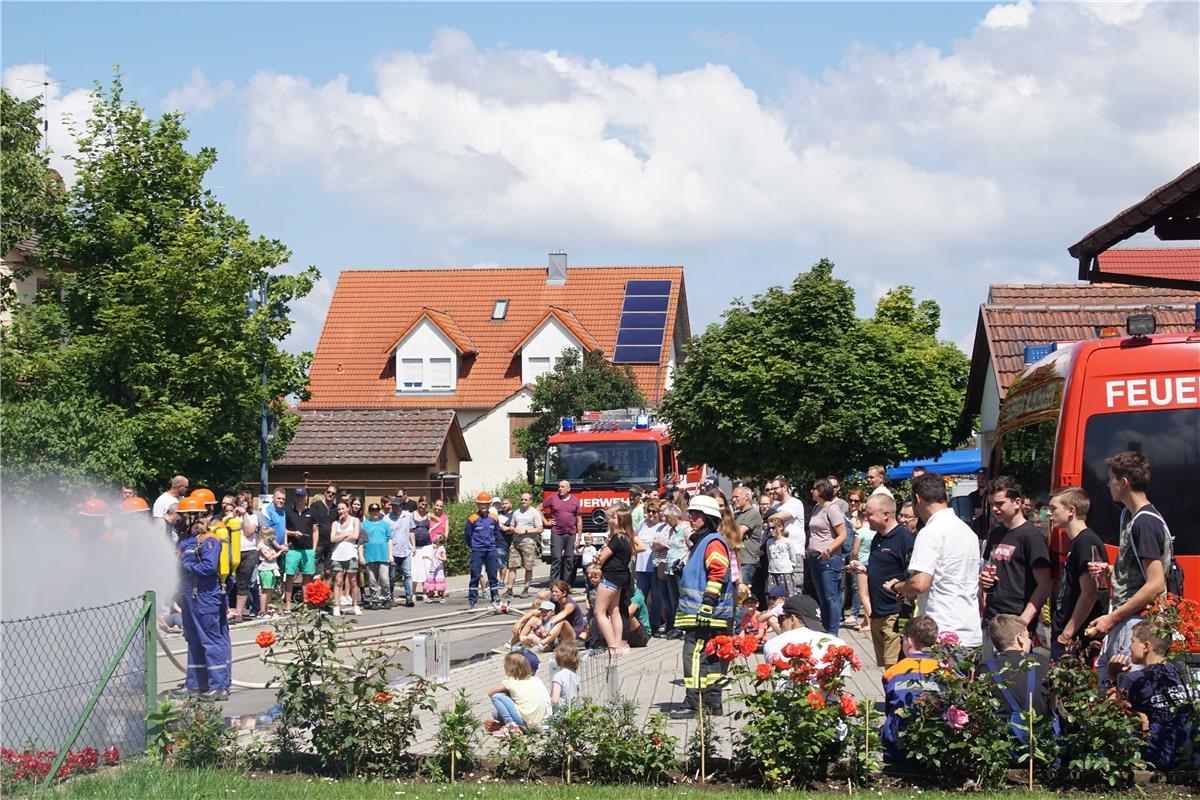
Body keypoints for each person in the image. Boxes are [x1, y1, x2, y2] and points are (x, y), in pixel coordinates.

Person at [1087, 451, 1171, 685]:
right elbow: (1139, 573)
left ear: (1124, 482)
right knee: (1109, 681)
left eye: (1111, 479)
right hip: (1128, 619)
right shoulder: (1130, 516)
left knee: (1123, 696)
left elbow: (1156, 583)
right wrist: (1113, 571)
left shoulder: (1144, 523)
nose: (1108, 484)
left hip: (1135, 622)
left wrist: (1112, 618)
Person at [889, 473, 982, 647]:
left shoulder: (930, 532)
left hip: (942, 633)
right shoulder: (967, 530)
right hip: (970, 631)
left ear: (917, 498)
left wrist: (897, 587)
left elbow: (919, 584)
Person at [672, 495, 736, 718]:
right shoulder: (703, 542)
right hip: (702, 613)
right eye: (691, 514)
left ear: (708, 519)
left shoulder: (713, 542)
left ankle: (694, 703)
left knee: (694, 655)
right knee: (709, 657)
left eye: (696, 515)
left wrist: (708, 603)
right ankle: (712, 702)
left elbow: (718, 572)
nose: (691, 518)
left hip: (704, 613)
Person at [1108, 621, 1196, 770]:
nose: (1129, 647)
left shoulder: (1134, 679)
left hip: (1156, 755)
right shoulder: (1181, 672)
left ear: (1146, 646)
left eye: (1132, 642)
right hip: (1189, 754)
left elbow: (1108, 711)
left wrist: (1113, 677)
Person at [979, 477, 1052, 649]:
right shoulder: (996, 533)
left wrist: (1022, 622)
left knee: (1013, 674)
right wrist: (984, 580)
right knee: (988, 672)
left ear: (1017, 502)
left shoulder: (1031, 537)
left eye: (1000, 504)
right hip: (992, 618)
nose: (995, 509)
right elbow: (990, 568)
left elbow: (1044, 585)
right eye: (991, 504)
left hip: (1016, 620)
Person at [174, 520, 232, 701]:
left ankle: (218, 686)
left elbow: (208, 566)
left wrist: (184, 566)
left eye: (184, 515)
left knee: (211, 640)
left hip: (205, 596)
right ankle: (195, 683)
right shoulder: (187, 541)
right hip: (189, 596)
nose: (180, 519)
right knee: (193, 640)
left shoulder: (209, 540)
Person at [1048, 487, 1107, 660]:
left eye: (1054, 508)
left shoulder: (1085, 542)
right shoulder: (1078, 542)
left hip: (1075, 639)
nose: (1049, 515)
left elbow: (1089, 594)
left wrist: (1065, 636)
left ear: (1071, 511)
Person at [862, 493, 916, 667]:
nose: (866, 518)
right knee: (886, 668)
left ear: (885, 514)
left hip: (895, 613)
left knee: (894, 667)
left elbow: (912, 574)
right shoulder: (877, 538)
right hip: (878, 612)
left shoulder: (904, 538)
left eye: (869, 513)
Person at [880, 616, 942, 764]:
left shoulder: (893, 672)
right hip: (936, 744)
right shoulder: (943, 670)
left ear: (908, 642)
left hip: (898, 744)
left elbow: (889, 708)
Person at [978, 614, 1050, 729]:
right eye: (1028, 637)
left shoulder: (985, 668)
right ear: (1020, 637)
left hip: (1001, 738)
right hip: (1040, 736)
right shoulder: (1043, 662)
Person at [806, 478, 849, 636]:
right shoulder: (817, 507)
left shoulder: (832, 509)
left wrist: (829, 550)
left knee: (832, 597)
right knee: (822, 596)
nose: (812, 491)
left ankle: (833, 631)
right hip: (815, 558)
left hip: (829, 559)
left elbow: (842, 534)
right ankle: (825, 628)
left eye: (814, 488)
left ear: (822, 491)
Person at [761, 593, 848, 667]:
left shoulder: (772, 645)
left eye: (781, 619)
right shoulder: (839, 644)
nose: (779, 624)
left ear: (792, 619)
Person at [594, 505, 636, 653]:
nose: (609, 520)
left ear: (620, 520)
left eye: (612, 518)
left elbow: (602, 558)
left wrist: (598, 558)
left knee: (599, 612)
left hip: (610, 577)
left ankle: (612, 646)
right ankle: (618, 646)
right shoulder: (627, 537)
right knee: (615, 610)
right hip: (621, 577)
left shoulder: (617, 538)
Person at [486, 651, 552, 736]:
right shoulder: (535, 679)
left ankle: (510, 724)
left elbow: (490, 692)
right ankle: (510, 724)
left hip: (526, 722)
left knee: (497, 697)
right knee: (496, 713)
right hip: (540, 721)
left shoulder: (510, 680)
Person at [635, 498, 668, 634]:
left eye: (654, 511)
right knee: (639, 595)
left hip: (654, 565)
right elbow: (635, 539)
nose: (651, 514)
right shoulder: (642, 524)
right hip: (641, 565)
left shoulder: (661, 526)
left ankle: (655, 623)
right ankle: (641, 623)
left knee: (656, 596)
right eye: (648, 511)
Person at [282, 488, 318, 612]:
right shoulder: (287, 511)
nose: (300, 498)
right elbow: (283, 530)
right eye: (298, 496)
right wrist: (293, 533)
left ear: (306, 497)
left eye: (302, 496)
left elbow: (315, 531)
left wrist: (313, 548)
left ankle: (305, 604)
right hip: (292, 549)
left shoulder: (312, 512)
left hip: (307, 549)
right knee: (290, 577)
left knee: (307, 578)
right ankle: (288, 603)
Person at [465, 491, 503, 610]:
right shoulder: (472, 519)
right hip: (477, 550)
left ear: (489, 504)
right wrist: (474, 546)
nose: (483, 506)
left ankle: (495, 597)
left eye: (485, 504)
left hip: (491, 550)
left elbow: (497, 534)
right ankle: (473, 600)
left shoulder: (494, 518)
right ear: (477, 504)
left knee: (492, 575)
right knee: (475, 575)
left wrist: (491, 544)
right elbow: (467, 535)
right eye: (481, 504)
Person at [543, 480, 583, 584]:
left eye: (562, 487)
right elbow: (539, 508)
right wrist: (546, 522)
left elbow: (579, 520)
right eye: (559, 487)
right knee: (556, 558)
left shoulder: (575, 500)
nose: (560, 489)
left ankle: (566, 584)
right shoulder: (553, 498)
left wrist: (579, 538)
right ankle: (555, 584)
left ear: (568, 489)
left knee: (569, 560)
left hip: (571, 534)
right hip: (557, 533)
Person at [845, 489, 874, 631]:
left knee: (863, 593)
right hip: (870, 561)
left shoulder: (861, 531)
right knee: (867, 592)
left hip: (860, 562)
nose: (853, 503)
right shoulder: (874, 531)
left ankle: (870, 622)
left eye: (856, 501)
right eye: (851, 500)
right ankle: (865, 621)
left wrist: (853, 560)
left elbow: (855, 550)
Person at [661, 502, 689, 639]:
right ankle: (676, 626)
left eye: (667, 517)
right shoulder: (671, 530)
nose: (665, 520)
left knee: (683, 598)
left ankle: (685, 628)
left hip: (680, 569)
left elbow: (692, 547)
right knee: (674, 599)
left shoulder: (685, 529)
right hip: (670, 569)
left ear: (674, 516)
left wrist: (684, 561)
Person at [508, 492, 544, 598]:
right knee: (512, 566)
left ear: (530, 501)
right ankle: (509, 589)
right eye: (522, 499)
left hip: (528, 542)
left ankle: (526, 589)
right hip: (515, 542)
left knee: (528, 566)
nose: (523, 501)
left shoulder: (534, 513)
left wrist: (526, 531)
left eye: (526, 500)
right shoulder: (516, 512)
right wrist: (513, 529)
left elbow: (540, 528)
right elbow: (511, 525)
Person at [330, 501, 362, 616]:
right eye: (339, 509)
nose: (341, 511)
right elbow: (332, 539)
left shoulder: (355, 520)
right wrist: (345, 535)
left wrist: (340, 537)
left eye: (343, 508)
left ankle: (355, 604)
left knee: (353, 581)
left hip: (351, 554)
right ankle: (337, 606)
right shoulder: (335, 523)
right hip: (337, 555)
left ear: (348, 508)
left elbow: (355, 536)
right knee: (338, 581)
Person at [731, 485, 764, 590]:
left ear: (746, 497)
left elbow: (736, 536)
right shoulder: (738, 515)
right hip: (738, 561)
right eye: (733, 497)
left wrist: (736, 534)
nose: (734, 500)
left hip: (747, 562)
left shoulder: (752, 513)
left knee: (744, 595)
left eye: (736, 497)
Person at [360, 503, 392, 608]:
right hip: (370, 556)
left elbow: (389, 540)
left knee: (384, 579)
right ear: (369, 512)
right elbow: (360, 542)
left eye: (377, 510)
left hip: (383, 555)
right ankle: (374, 599)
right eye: (373, 510)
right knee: (372, 580)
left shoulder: (385, 524)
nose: (375, 512)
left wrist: (390, 554)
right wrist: (361, 556)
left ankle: (386, 598)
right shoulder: (364, 524)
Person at [386, 496, 416, 608]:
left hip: (406, 549)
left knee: (407, 575)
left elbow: (411, 531)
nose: (395, 508)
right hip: (393, 551)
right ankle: (390, 597)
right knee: (391, 576)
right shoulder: (387, 518)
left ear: (401, 506)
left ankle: (409, 597)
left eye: (397, 506)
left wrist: (414, 546)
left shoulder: (408, 516)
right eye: (393, 506)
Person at [765, 516, 802, 595]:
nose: (771, 530)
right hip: (772, 572)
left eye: (773, 528)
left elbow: (793, 557)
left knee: (788, 593)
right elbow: (769, 557)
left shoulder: (787, 542)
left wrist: (791, 566)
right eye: (769, 528)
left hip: (785, 572)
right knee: (774, 595)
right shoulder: (769, 542)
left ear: (780, 527)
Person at [309, 484, 339, 579]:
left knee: (328, 571)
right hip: (318, 543)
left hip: (331, 544)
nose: (330, 494)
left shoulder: (336, 509)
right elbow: (311, 524)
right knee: (313, 571)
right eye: (328, 492)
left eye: (333, 493)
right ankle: (312, 592)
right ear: (325, 492)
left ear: (335, 495)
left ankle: (325, 593)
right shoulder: (315, 506)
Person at [255, 524, 283, 618]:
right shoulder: (262, 546)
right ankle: (262, 611)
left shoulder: (269, 545)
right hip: (265, 569)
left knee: (270, 590)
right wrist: (279, 553)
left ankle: (268, 609)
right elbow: (268, 557)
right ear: (265, 536)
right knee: (265, 590)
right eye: (270, 536)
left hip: (272, 568)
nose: (272, 538)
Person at [410, 497, 433, 603]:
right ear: (418, 503)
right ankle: (413, 593)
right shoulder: (411, 515)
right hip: (415, 546)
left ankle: (425, 593)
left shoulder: (428, 515)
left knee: (426, 570)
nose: (422, 507)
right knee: (414, 570)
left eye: (425, 505)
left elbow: (440, 521)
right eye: (421, 504)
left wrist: (431, 529)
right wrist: (413, 545)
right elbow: (410, 530)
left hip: (427, 545)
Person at [550, 642, 581, 712]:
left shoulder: (558, 676)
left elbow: (555, 700)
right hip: (574, 712)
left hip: (561, 714)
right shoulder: (575, 676)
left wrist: (547, 699)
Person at [495, 496, 516, 595]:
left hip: (505, 542)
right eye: (503, 504)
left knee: (501, 560)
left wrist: (506, 528)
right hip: (495, 541)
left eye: (506, 504)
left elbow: (515, 528)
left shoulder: (514, 515)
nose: (504, 506)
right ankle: (493, 580)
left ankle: (502, 581)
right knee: (493, 562)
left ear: (510, 505)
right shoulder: (498, 514)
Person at [427, 533, 448, 602]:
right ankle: (429, 597)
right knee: (431, 583)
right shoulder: (436, 548)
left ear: (439, 540)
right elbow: (434, 558)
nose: (435, 538)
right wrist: (428, 557)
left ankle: (442, 597)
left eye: (436, 537)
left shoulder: (442, 548)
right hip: (433, 568)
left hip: (439, 570)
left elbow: (445, 559)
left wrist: (439, 558)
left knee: (440, 584)